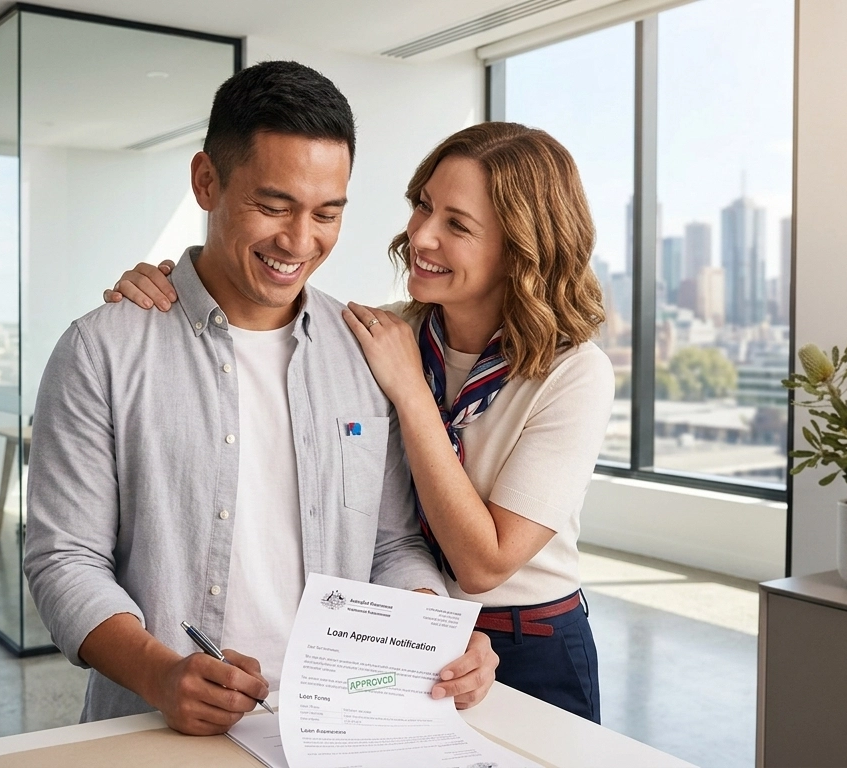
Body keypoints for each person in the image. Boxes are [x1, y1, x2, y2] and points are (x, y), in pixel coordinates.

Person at [23, 60, 498, 736]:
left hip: (335, 723)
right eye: (273, 206)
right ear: (206, 182)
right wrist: (160, 674)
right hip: (160, 727)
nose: (299, 241)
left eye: (327, 213)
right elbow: (64, 558)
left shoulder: (367, 353)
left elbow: (390, 545)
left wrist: (433, 631)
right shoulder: (101, 350)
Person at [106, 121, 614, 722]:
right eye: (423, 205)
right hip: (402, 626)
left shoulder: (573, 373)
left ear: (520, 249)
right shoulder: (379, 335)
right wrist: (171, 290)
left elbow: (483, 565)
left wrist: (411, 392)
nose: (420, 235)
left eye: (457, 225)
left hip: (528, 643)